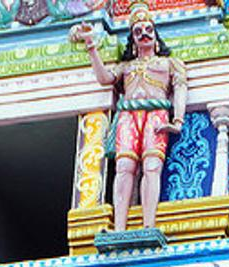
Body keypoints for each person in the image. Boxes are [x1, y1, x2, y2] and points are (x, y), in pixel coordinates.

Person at [72, 1, 187, 231]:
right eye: (138, 31)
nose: (144, 34)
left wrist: (177, 121)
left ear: (156, 35)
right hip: (128, 116)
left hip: (156, 114)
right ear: (133, 39)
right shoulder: (126, 67)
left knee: (152, 166)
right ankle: (119, 228)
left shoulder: (169, 63)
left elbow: (180, 88)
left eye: (149, 30)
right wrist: (91, 46)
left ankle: (148, 225)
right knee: (124, 166)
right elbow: (105, 79)